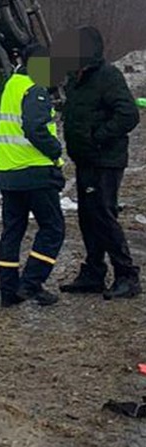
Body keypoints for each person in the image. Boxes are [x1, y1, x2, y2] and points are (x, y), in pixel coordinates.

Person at [55, 25, 141, 299]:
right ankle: (93, 272)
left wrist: (99, 137)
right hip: (85, 160)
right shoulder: (75, 79)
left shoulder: (107, 76)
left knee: (103, 215)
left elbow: (128, 114)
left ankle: (127, 275)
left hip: (106, 160)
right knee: (88, 217)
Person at [0, 41, 66, 307]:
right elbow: (35, 128)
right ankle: (32, 284)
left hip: (8, 172)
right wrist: (55, 150)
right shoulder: (34, 88)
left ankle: (8, 291)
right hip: (34, 171)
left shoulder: (12, 84)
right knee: (53, 229)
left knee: (12, 231)